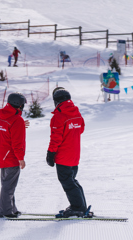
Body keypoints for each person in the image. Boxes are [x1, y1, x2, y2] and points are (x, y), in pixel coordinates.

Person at [46, 87, 88, 218]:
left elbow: (55, 137)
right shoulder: (76, 112)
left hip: (63, 156)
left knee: (67, 181)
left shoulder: (59, 116)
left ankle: (78, 207)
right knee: (72, 180)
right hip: (74, 155)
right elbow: (81, 129)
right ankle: (80, 206)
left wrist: (50, 153)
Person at [0, 92, 28, 218]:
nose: (22, 107)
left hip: (3, 156)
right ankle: (5, 211)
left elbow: (8, 131)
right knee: (9, 186)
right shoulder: (17, 120)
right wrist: (21, 159)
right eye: (22, 105)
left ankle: (11, 208)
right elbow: (17, 143)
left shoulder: (3, 116)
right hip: (11, 157)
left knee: (7, 184)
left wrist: (20, 126)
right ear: (18, 105)